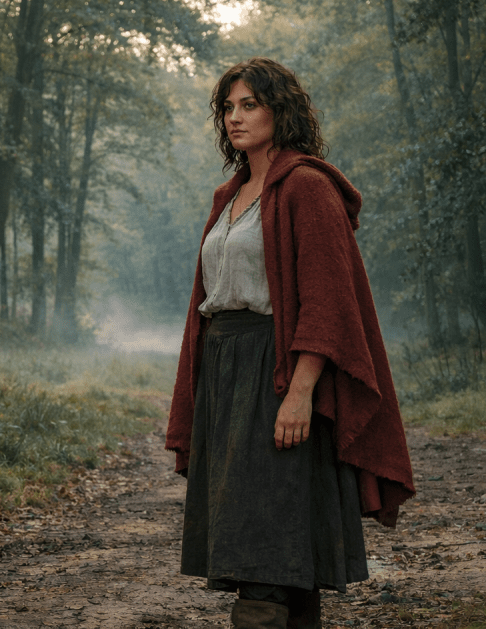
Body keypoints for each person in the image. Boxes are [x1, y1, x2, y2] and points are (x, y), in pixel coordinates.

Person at [164, 58, 415, 629]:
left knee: (268, 541)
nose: (235, 117)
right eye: (228, 107)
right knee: (276, 553)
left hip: (274, 374)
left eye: (249, 105)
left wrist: (300, 393)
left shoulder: (307, 186)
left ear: (281, 111)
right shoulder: (228, 195)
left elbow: (328, 305)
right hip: (226, 377)